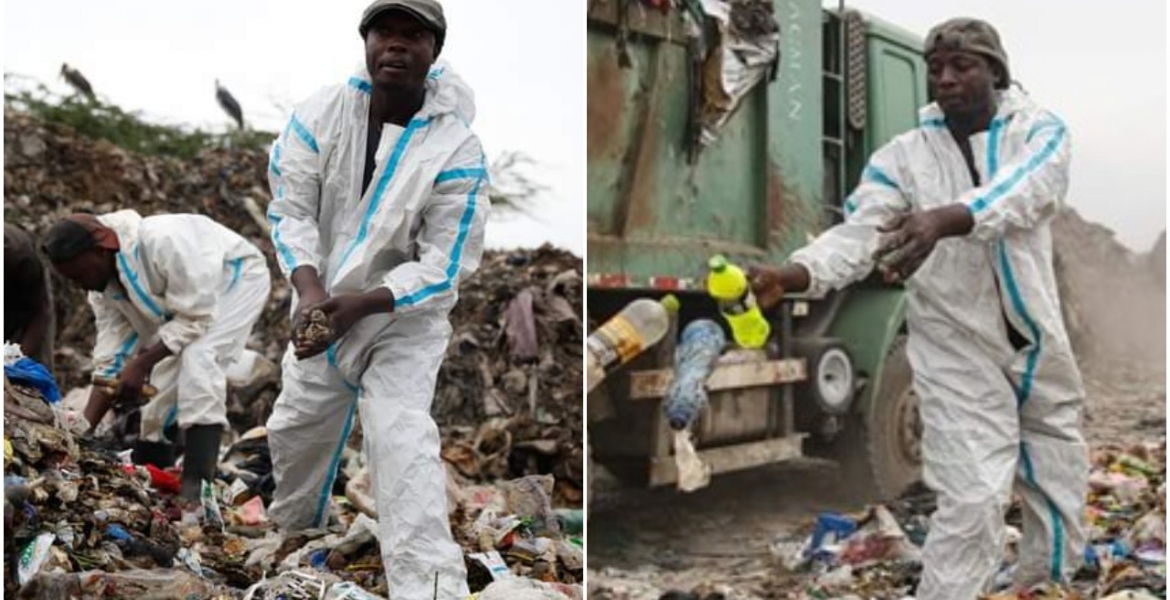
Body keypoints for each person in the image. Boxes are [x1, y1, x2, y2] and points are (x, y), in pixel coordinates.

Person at [749, 18, 1086, 600]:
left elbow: (1027, 189)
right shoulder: (904, 158)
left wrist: (946, 219)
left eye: (962, 66)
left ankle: (1045, 585)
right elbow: (863, 233)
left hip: (1036, 341)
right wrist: (796, 273)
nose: (946, 78)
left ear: (995, 72)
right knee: (972, 495)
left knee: (1058, 483)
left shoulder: (1038, 131)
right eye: (936, 69)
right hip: (955, 346)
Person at [264, 0, 489, 597]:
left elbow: (446, 263)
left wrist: (363, 304)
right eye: (384, 31)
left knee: (399, 441)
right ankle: (294, 540)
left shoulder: (457, 149)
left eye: (413, 34)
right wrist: (311, 292)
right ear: (365, 42)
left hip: (401, 322)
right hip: (321, 309)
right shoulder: (320, 114)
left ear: (434, 51)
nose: (396, 44)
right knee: (294, 430)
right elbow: (290, 210)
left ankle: (429, 586)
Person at [41, 210, 271, 500]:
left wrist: (141, 363)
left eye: (79, 275)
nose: (80, 285)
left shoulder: (163, 241)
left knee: (200, 360)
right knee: (160, 384)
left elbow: (196, 317)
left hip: (235, 278)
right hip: (189, 303)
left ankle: (196, 487)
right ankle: (153, 477)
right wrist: (82, 431)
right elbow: (112, 354)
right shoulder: (102, 288)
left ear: (102, 250)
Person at [4, 224, 55, 371]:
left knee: (30, 372)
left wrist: (15, 362)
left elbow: (40, 313)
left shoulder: (19, 255)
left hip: (23, 308)